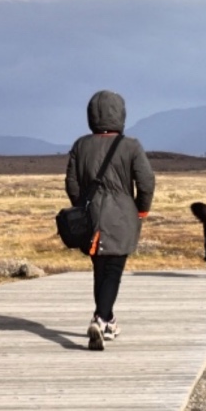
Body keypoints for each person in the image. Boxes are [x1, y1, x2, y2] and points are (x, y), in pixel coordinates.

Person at [64, 90, 155, 351]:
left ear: (91, 114)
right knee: (113, 271)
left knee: (100, 270)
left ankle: (108, 319)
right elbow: (146, 181)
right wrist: (141, 210)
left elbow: (71, 183)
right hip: (122, 216)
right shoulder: (131, 146)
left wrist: (81, 207)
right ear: (121, 114)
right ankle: (100, 318)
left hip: (91, 217)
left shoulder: (81, 145)